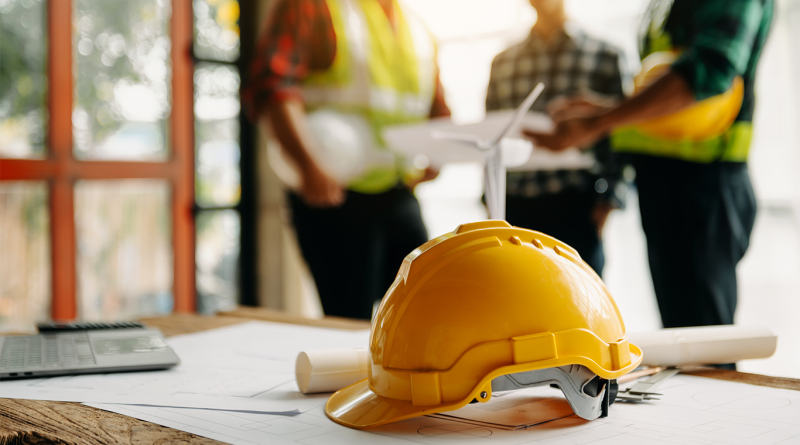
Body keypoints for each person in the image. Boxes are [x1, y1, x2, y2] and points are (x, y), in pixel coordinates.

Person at [526, 0, 774, 331]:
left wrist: (599, 121)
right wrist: (605, 110)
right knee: (683, 333)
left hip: (702, 183)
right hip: (666, 183)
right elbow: (664, 94)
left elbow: (709, 72)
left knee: (703, 342)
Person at [246, 0, 450, 320]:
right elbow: (274, 84)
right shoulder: (317, 6)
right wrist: (308, 165)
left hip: (399, 189)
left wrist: (438, 154)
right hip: (333, 192)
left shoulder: (418, 28)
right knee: (349, 321)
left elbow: (436, 106)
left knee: (427, 307)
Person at [485, 0, 629, 276]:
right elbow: (492, 143)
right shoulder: (502, 63)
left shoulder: (607, 56)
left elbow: (622, 142)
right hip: (515, 212)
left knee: (578, 310)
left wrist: (608, 202)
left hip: (577, 208)